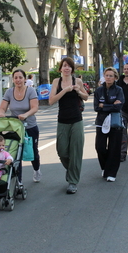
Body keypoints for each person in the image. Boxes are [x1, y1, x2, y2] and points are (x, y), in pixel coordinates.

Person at [49, 57, 88, 194]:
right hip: (62, 121)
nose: (67, 68)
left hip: (77, 119)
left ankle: (73, 181)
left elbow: (86, 97)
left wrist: (78, 90)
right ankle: (71, 170)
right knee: (62, 151)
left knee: (76, 152)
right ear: (60, 68)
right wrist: (64, 90)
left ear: (72, 69)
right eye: (64, 66)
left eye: (69, 66)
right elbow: (51, 101)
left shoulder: (77, 81)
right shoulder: (56, 82)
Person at [0, 69, 41, 183]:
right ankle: (18, 181)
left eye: (20, 77)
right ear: (13, 80)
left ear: (25, 79)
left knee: (33, 152)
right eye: (16, 78)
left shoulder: (30, 91)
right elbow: (2, 107)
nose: (18, 80)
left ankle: (36, 169)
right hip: (15, 127)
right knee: (17, 153)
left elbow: (35, 107)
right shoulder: (9, 92)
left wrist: (25, 115)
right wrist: (1, 113)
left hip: (30, 126)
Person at [94, 67, 125, 182]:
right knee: (100, 147)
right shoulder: (98, 91)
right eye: (107, 75)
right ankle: (105, 167)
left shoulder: (119, 90)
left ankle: (112, 172)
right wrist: (111, 104)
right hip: (101, 121)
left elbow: (119, 106)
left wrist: (104, 106)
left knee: (114, 148)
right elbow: (96, 107)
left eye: (111, 76)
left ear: (115, 77)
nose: (108, 77)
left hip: (115, 122)